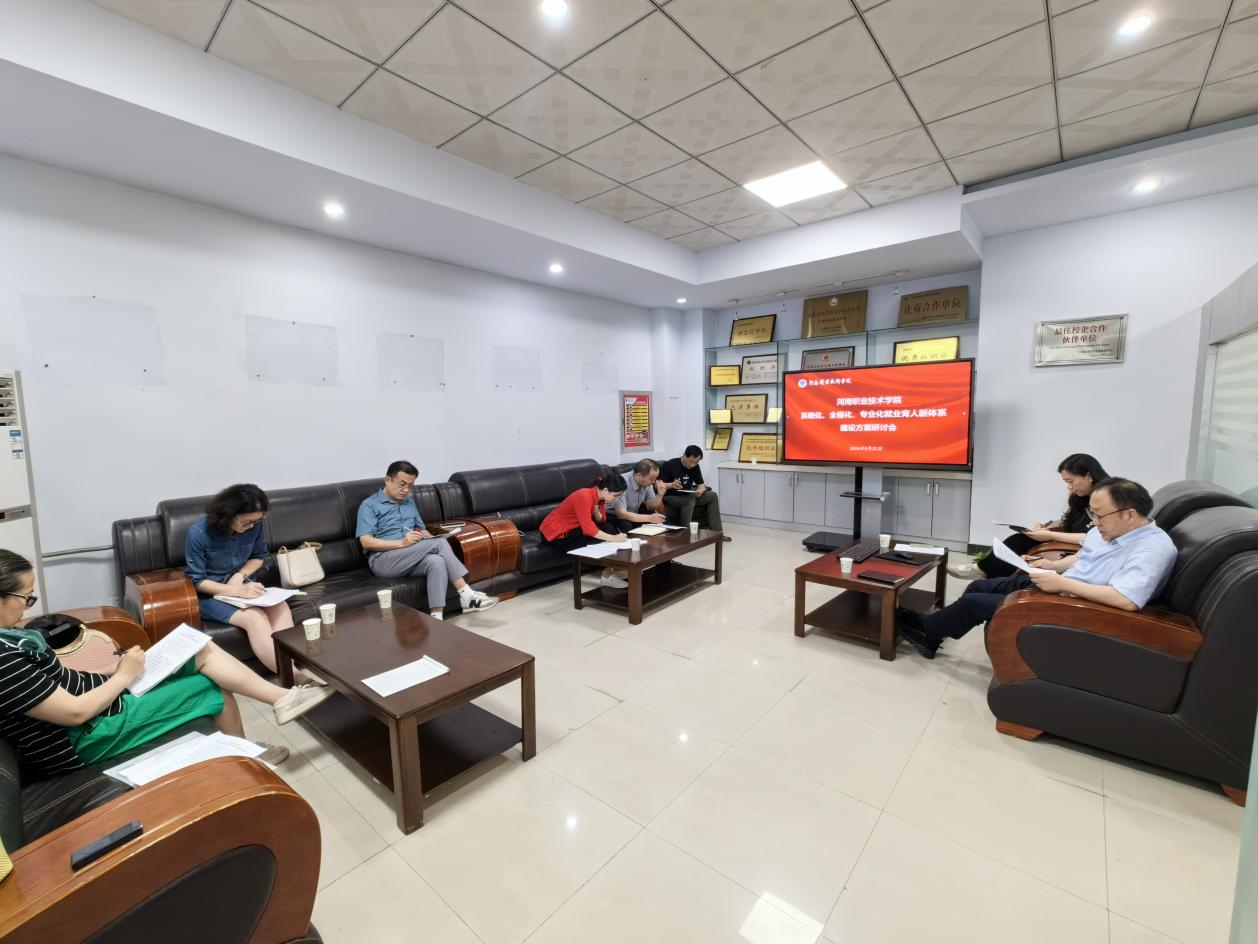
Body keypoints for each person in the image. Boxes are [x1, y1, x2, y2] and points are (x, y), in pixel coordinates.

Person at [0, 549, 332, 774]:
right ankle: (246, 756)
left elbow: (59, 680)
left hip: (97, 703)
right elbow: (74, 713)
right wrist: (123, 676)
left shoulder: (9, 637)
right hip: (84, 737)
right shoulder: (3, 660)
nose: (28, 606)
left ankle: (283, 699)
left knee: (199, 650)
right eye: (25, 597)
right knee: (209, 687)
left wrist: (112, 668)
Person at [898, 477, 1176, 659]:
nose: (1094, 522)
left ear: (1130, 514)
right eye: (1092, 514)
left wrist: (1062, 583)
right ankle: (932, 631)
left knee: (974, 602)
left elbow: (1126, 600)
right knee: (979, 586)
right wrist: (1053, 566)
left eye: (1099, 515)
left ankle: (928, 631)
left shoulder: (1152, 549)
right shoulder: (1114, 530)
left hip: (1072, 604)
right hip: (1059, 584)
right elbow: (1084, 558)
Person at [357, 461, 498, 620]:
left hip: (409, 555)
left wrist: (430, 538)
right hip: (383, 560)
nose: (406, 490)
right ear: (388, 480)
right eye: (402, 484)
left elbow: (421, 529)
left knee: (436, 561)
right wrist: (402, 543)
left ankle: (437, 617)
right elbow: (366, 541)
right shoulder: (369, 505)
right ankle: (467, 595)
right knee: (439, 544)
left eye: (410, 485)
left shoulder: (409, 503)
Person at [185, 483, 294, 673]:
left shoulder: (254, 526)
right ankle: (294, 677)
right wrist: (236, 590)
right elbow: (198, 581)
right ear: (228, 515)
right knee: (254, 617)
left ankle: (290, 669)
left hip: (242, 585)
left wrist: (239, 575)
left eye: (256, 521)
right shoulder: (199, 533)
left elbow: (259, 556)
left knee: (280, 606)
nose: (251, 526)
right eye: (246, 522)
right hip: (210, 595)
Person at [949, 453, 1110, 580]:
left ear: (1089, 476)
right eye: (1066, 482)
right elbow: (1075, 522)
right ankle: (986, 573)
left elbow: (1095, 537)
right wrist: (1047, 527)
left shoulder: (1109, 500)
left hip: (1083, 550)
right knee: (1020, 539)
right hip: (1071, 541)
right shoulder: (1082, 497)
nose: (1069, 487)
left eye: (1071, 481)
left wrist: (1050, 535)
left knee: (1020, 543)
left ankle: (985, 574)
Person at [539, 473, 630, 588]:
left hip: (573, 528)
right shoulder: (584, 496)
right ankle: (607, 575)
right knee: (595, 539)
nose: (617, 499)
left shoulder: (600, 498)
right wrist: (614, 538)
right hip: (555, 533)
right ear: (606, 490)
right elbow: (588, 529)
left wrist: (596, 512)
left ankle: (614, 569)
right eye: (616, 496)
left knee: (609, 528)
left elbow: (602, 520)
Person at [659, 446, 728, 540]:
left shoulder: (695, 467)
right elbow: (659, 484)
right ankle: (684, 535)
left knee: (712, 495)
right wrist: (672, 485)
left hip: (688, 495)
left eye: (696, 462)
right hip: (671, 496)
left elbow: (701, 485)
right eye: (690, 461)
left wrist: (700, 491)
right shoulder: (669, 465)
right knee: (689, 500)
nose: (692, 465)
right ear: (684, 455)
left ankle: (718, 533)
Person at [609, 459, 668, 533]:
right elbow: (621, 513)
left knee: (659, 520)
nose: (653, 482)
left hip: (633, 513)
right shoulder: (622, 482)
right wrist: (649, 518)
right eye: (651, 479)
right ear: (639, 475)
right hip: (614, 515)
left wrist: (660, 495)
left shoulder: (647, 483)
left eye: (655, 478)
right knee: (626, 525)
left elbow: (650, 506)